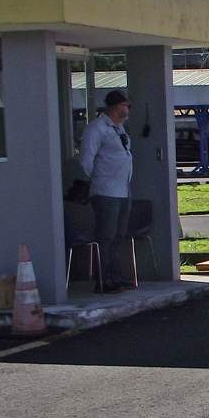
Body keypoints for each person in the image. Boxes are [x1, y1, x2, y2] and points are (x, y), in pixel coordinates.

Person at [78, 90, 134, 294]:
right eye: (127, 105)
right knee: (106, 236)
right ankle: (103, 279)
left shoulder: (119, 129)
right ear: (118, 106)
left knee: (118, 236)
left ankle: (114, 275)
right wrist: (97, 179)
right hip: (105, 191)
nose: (128, 109)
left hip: (122, 190)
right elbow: (86, 160)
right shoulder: (96, 129)